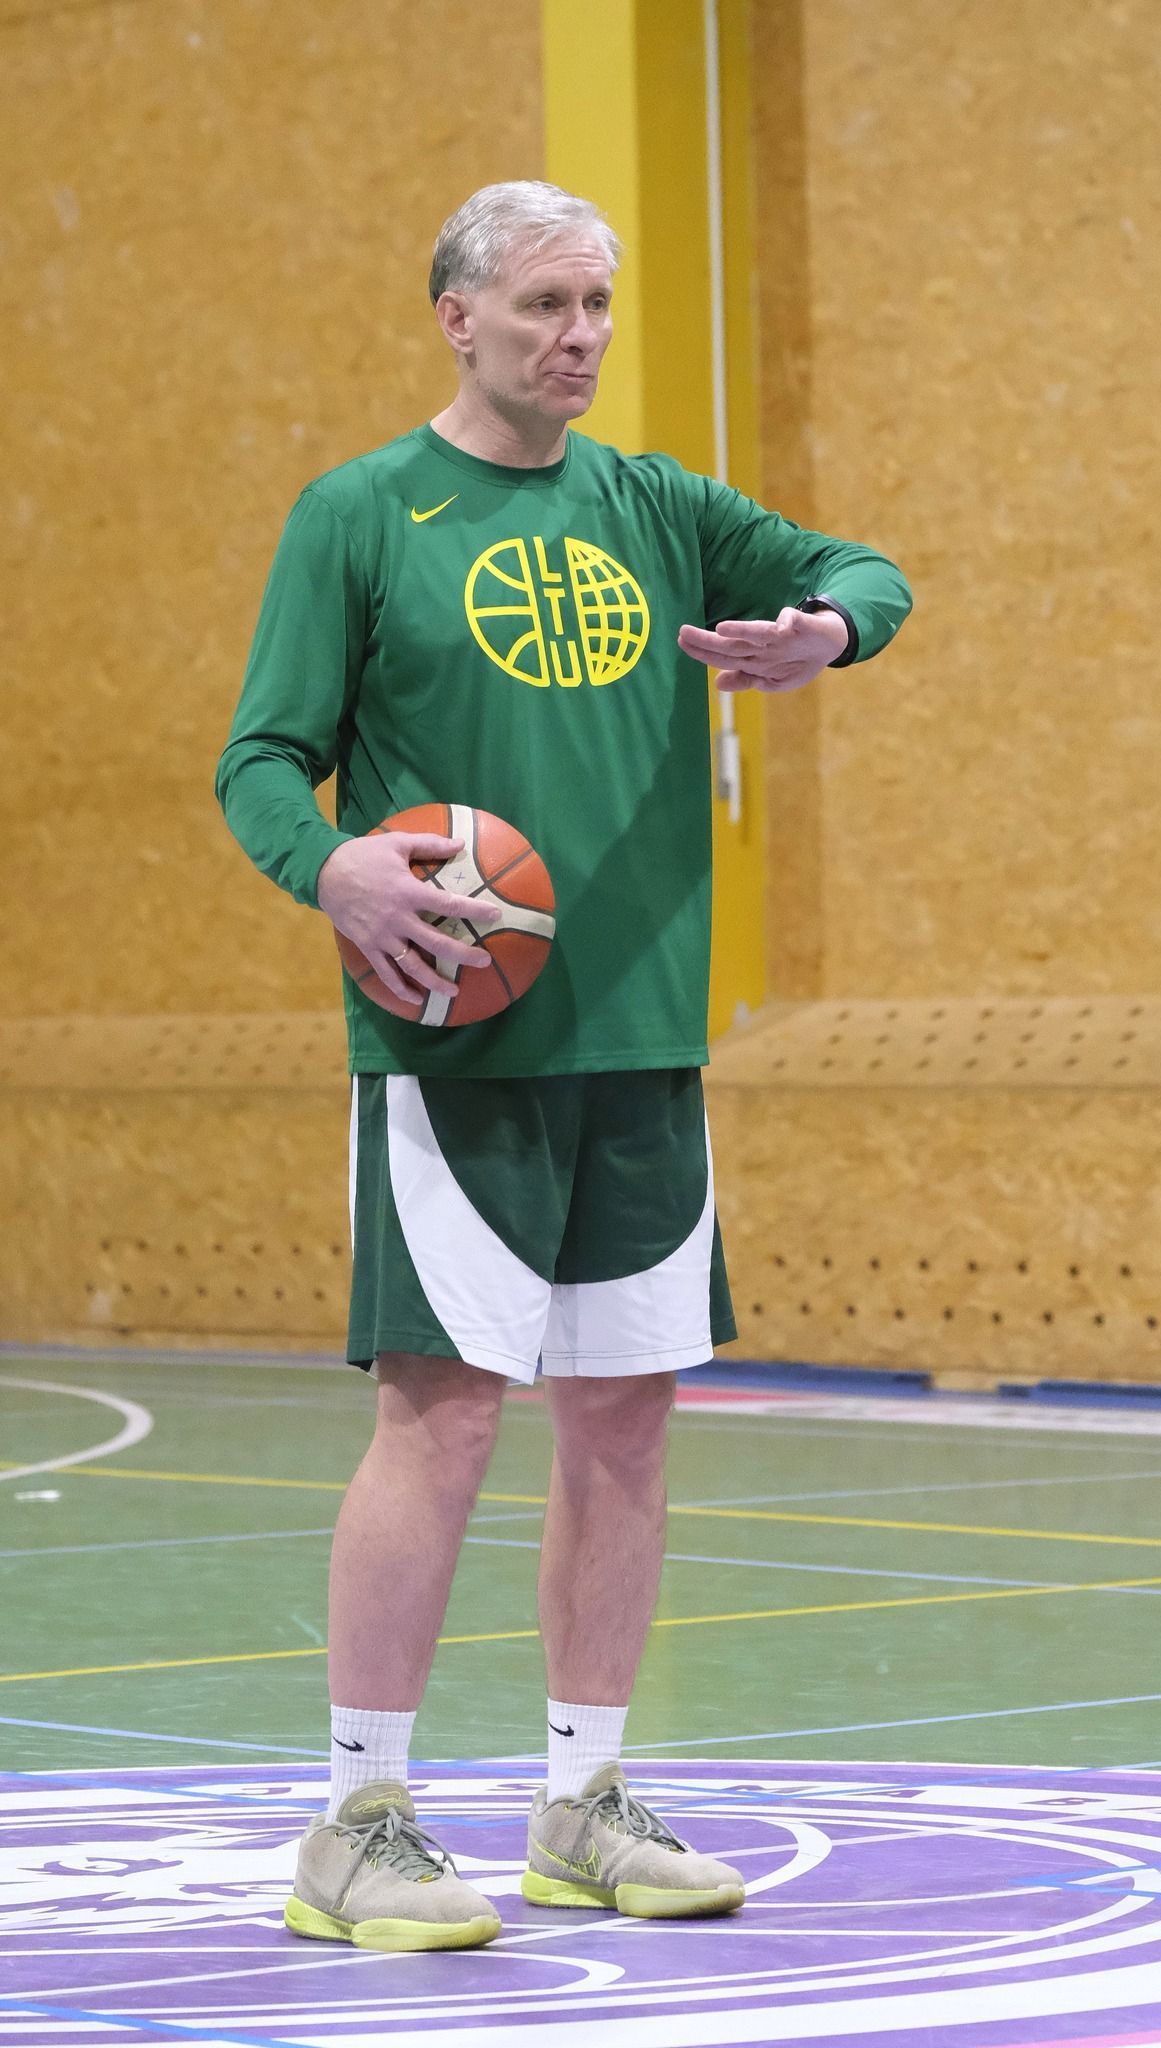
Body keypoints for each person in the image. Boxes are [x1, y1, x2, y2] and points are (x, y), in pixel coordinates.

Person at [217, 179, 911, 1953]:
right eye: (542, 305)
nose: (578, 335)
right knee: (442, 1414)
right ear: (457, 316)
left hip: (645, 1038)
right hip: (455, 1048)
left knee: (626, 1416)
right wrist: (336, 870)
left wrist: (823, 632)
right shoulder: (361, 514)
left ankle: (582, 1802)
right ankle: (357, 1820)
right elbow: (261, 762)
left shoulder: (660, 506)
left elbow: (867, 570)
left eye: (595, 303)